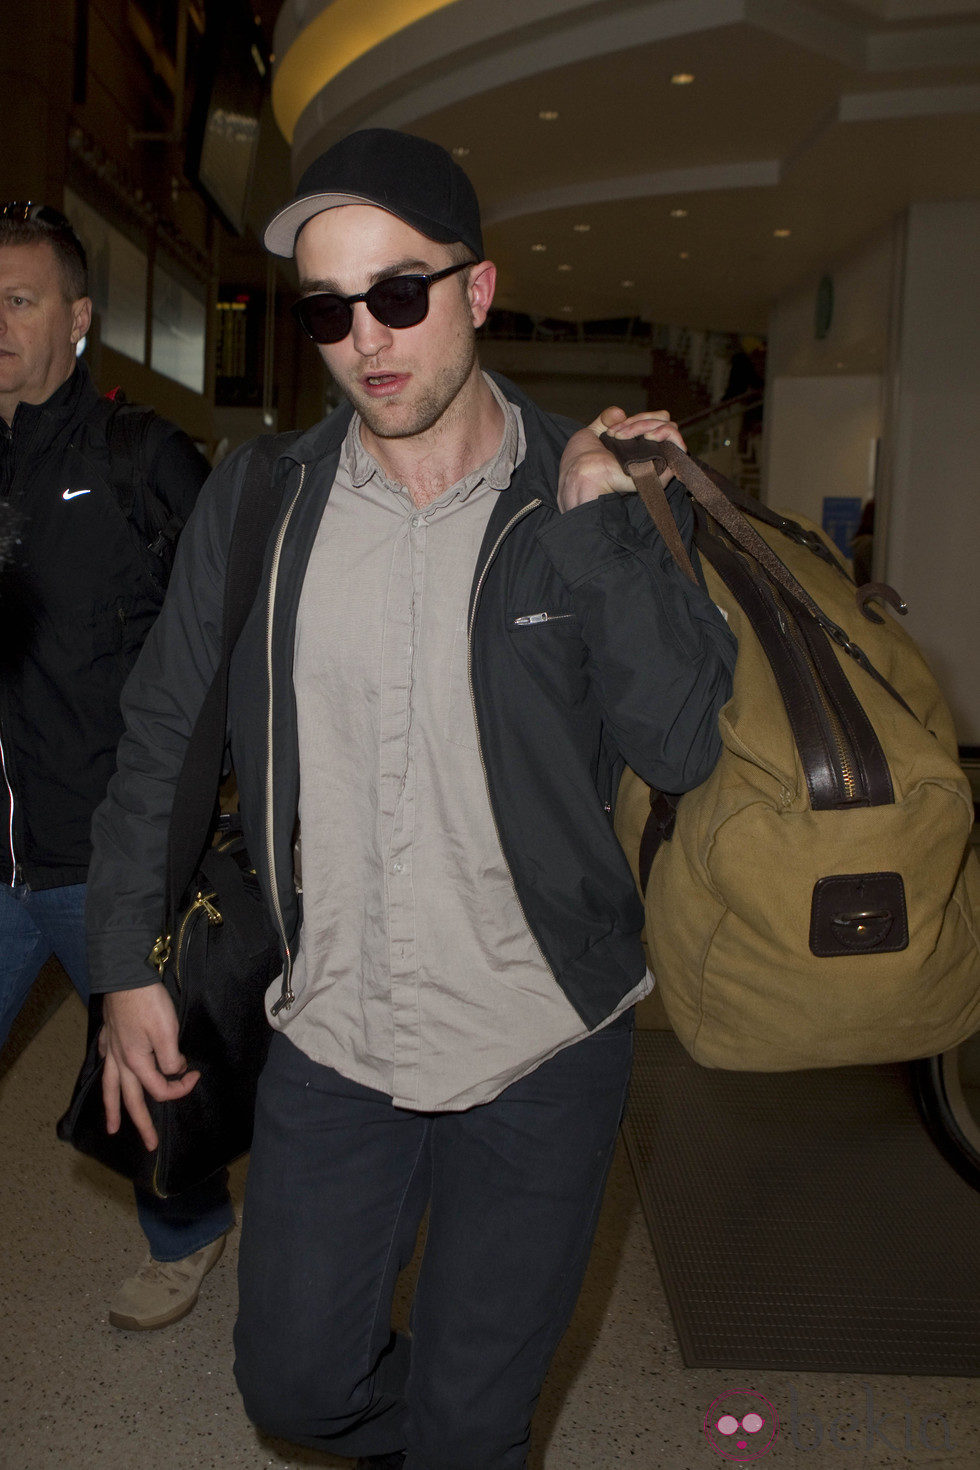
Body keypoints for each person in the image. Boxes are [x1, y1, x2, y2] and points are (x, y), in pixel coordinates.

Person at [86, 130, 737, 1467]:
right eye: (328, 307)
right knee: (294, 1387)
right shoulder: (268, 497)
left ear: (478, 289)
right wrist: (123, 967)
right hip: (339, 1031)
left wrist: (609, 525)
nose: (363, 339)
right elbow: (161, 728)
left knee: (472, 1423)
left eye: (399, 293)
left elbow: (680, 742)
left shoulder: (589, 483)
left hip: (542, 1033)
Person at [0, 201, 234, 1330]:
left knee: (144, 1083)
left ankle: (185, 1236)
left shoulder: (141, 459)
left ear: (78, 318)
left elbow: (230, 641)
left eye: (19, 299)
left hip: (105, 853)